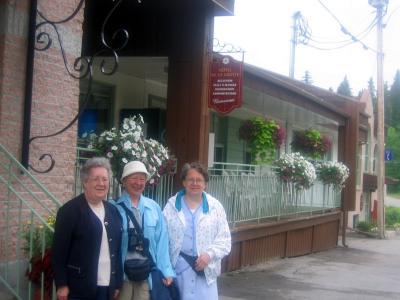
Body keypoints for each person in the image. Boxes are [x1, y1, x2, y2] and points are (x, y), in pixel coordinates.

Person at [52, 157, 123, 300]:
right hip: (79, 289)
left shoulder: (113, 211)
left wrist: (117, 283)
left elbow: (117, 250)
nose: (101, 184)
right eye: (96, 179)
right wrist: (61, 285)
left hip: (107, 287)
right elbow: (58, 252)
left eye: (105, 179)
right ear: (85, 182)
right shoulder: (69, 211)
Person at [163, 162, 231, 300]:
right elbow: (162, 240)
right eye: (190, 179)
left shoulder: (215, 207)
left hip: (205, 273)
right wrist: (165, 269)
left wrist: (209, 255)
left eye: (199, 180)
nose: (195, 183)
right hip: (179, 273)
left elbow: (225, 240)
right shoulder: (171, 207)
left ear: (205, 183)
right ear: (184, 182)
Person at [113, 161, 175, 300]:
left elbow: (162, 242)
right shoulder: (114, 207)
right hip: (122, 276)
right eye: (133, 178)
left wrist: (166, 271)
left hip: (146, 274)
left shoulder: (154, 207)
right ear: (124, 181)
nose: (138, 182)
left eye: (142, 179)